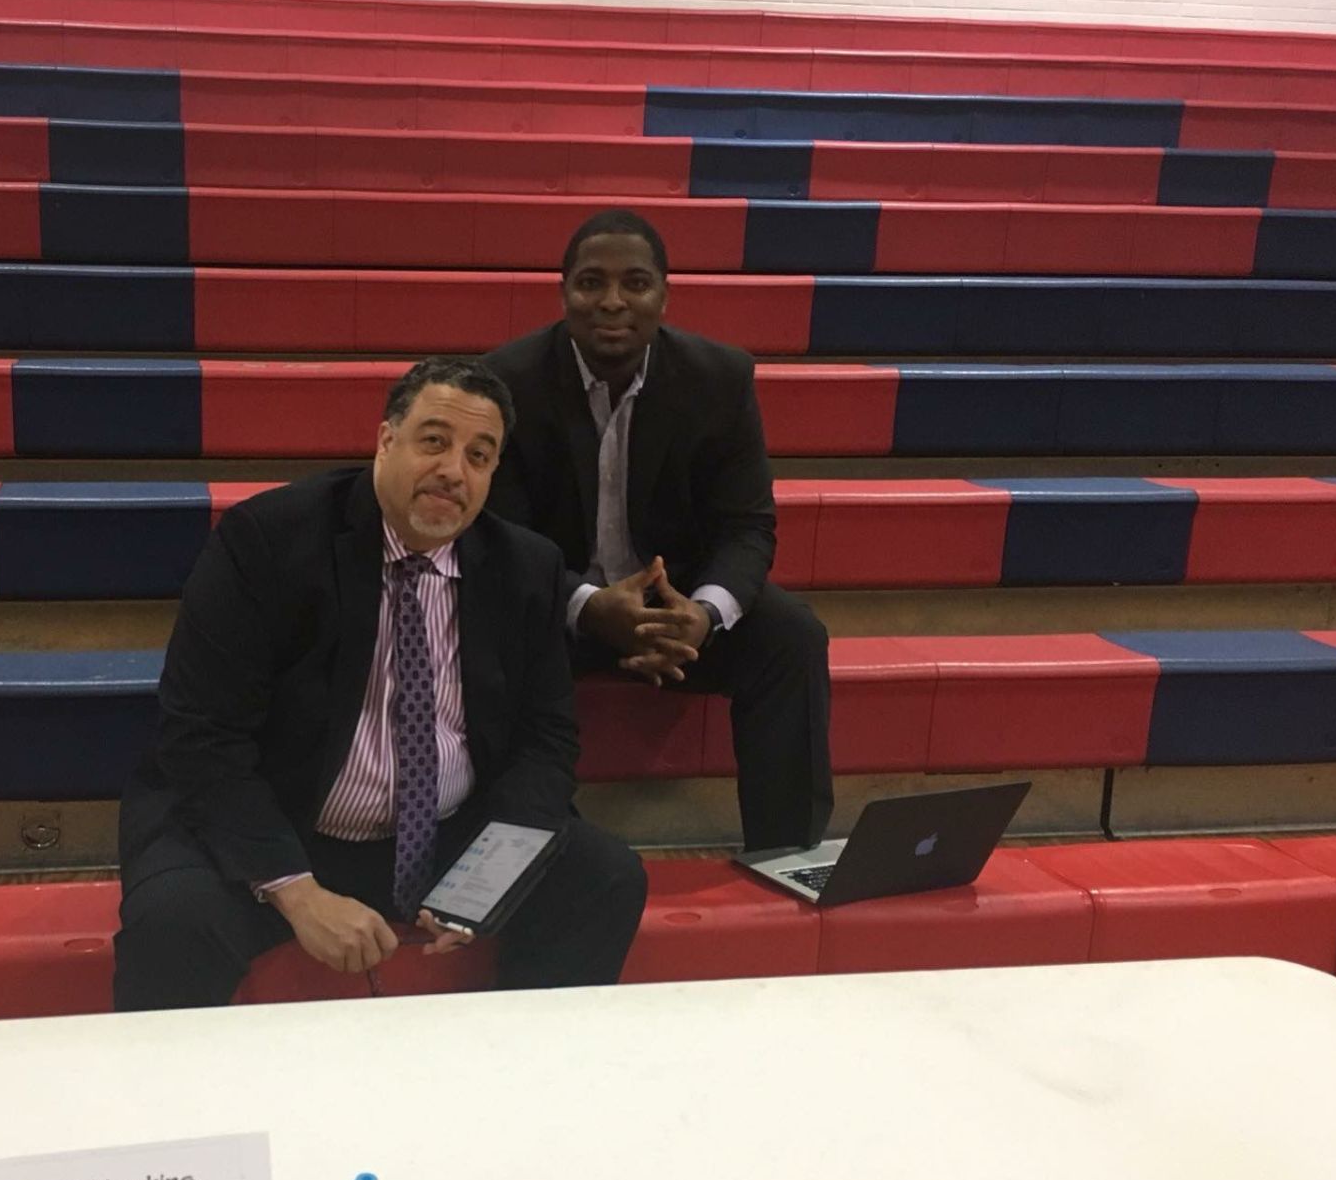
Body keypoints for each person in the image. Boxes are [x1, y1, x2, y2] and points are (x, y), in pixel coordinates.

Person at [113, 356, 646, 1011]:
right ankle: (180, 1111)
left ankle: (521, 1079)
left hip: (448, 829)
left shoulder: (525, 566)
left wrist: (488, 877)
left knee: (605, 877)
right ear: (385, 439)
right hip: (282, 819)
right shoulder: (267, 542)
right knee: (175, 924)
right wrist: (295, 890)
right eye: (434, 441)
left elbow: (547, 739)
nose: (455, 470)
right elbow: (202, 738)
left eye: (480, 456)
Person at [484, 209, 833, 851]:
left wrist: (702, 614)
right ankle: (525, 858)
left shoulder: (719, 378)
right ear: (563, 293)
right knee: (489, 632)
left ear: (664, 295)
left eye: (635, 283)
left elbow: (748, 526)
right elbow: (500, 539)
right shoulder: (508, 381)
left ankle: (787, 854)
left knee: (793, 638)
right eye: (590, 283)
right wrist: (588, 608)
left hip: (675, 609)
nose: (612, 302)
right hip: (555, 605)